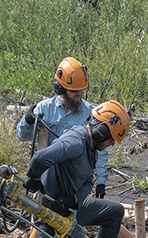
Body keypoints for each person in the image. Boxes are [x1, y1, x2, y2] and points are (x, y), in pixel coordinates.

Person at [21, 100, 130, 238]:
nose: (111, 144)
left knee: (114, 212)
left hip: (71, 209)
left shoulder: (92, 148)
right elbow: (40, 159)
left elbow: (87, 183)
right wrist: (33, 180)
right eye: (111, 139)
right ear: (101, 131)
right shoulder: (75, 141)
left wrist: (72, 199)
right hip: (52, 217)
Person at [16, 56, 108, 199]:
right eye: (74, 92)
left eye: (81, 91)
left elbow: (100, 149)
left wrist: (101, 181)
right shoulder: (44, 109)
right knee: (43, 213)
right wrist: (28, 121)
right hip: (47, 173)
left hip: (74, 178)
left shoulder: (90, 114)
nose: (79, 95)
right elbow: (22, 135)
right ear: (60, 89)